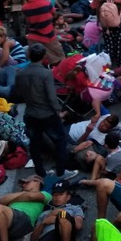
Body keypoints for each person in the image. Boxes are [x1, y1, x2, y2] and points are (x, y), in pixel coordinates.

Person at [17, 43, 70, 179]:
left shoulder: (20, 73)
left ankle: (40, 173)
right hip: (47, 114)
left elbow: (18, 93)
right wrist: (58, 111)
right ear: (44, 56)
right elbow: (52, 97)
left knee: (35, 144)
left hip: (30, 113)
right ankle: (61, 172)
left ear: (29, 55)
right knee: (60, 140)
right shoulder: (45, 73)